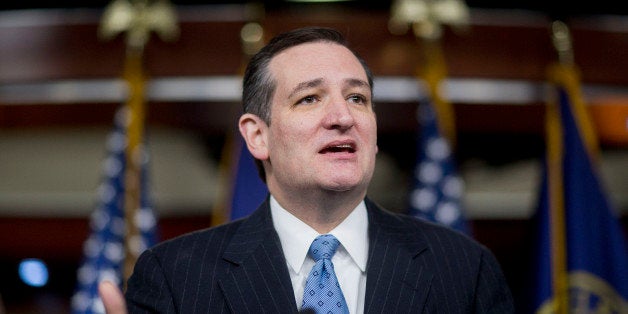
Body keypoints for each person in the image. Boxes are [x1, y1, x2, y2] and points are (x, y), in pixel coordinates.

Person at [100, 26, 515, 313]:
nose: (342, 117)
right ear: (257, 136)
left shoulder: (464, 269)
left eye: (357, 98)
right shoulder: (175, 276)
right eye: (309, 99)